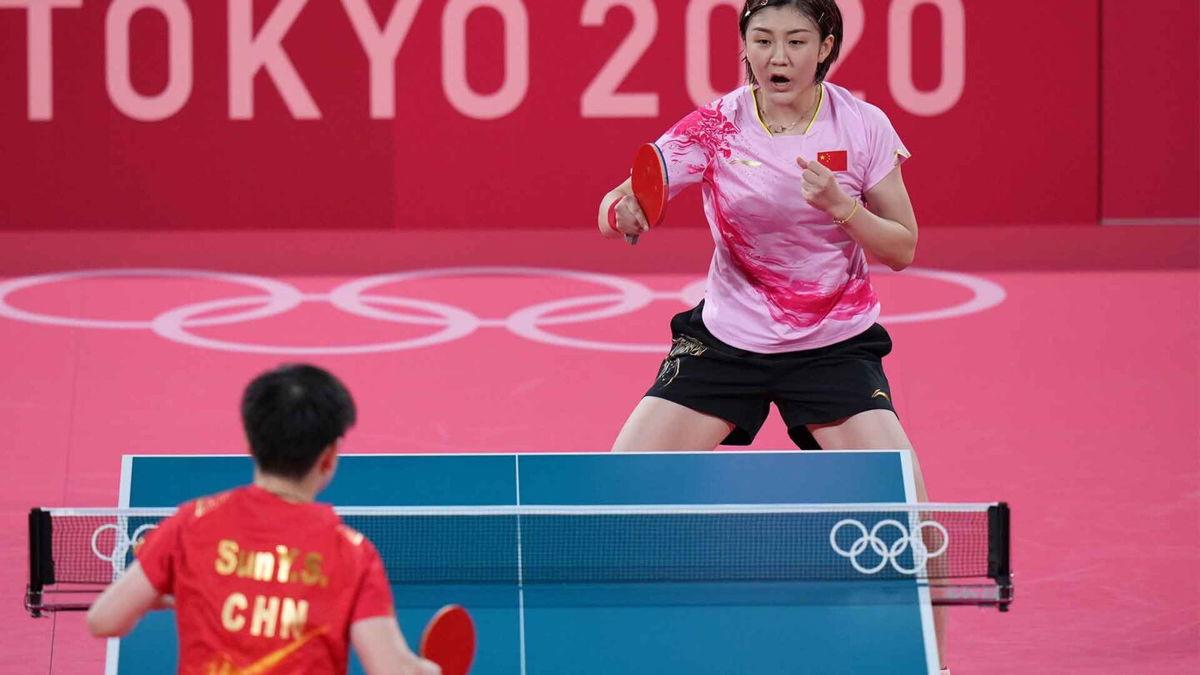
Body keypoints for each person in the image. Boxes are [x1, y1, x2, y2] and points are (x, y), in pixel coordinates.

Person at [597, 1, 950, 672]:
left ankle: (935, 665)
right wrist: (624, 210)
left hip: (833, 345)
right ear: (743, 48)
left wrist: (843, 208)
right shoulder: (716, 125)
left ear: (826, 48)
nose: (777, 56)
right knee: (621, 488)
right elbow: (617, 200)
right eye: (762, 40)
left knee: (912, 509)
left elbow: (903, 246)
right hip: (727, 343)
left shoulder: (862, 124)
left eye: (795, 41)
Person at [86, 364, 440, 675]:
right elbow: (391, 669)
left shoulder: (191, 523)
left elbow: (103, 620)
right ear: (330, 457)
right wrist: (424, 669)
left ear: (249, 441)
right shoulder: (354, 554)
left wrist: (172, 594)